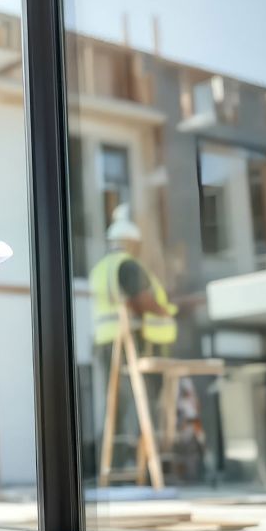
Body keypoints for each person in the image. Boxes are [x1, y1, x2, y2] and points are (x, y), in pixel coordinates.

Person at [85, 203, 178, 477]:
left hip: (104, 341)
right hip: (127, 343)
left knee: (115, 406)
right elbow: (141, 300)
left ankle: (115, 467)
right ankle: (139, 469)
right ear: (129, 241)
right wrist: (169, 310)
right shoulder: (127, 265)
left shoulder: (100, 268)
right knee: (137, 406)